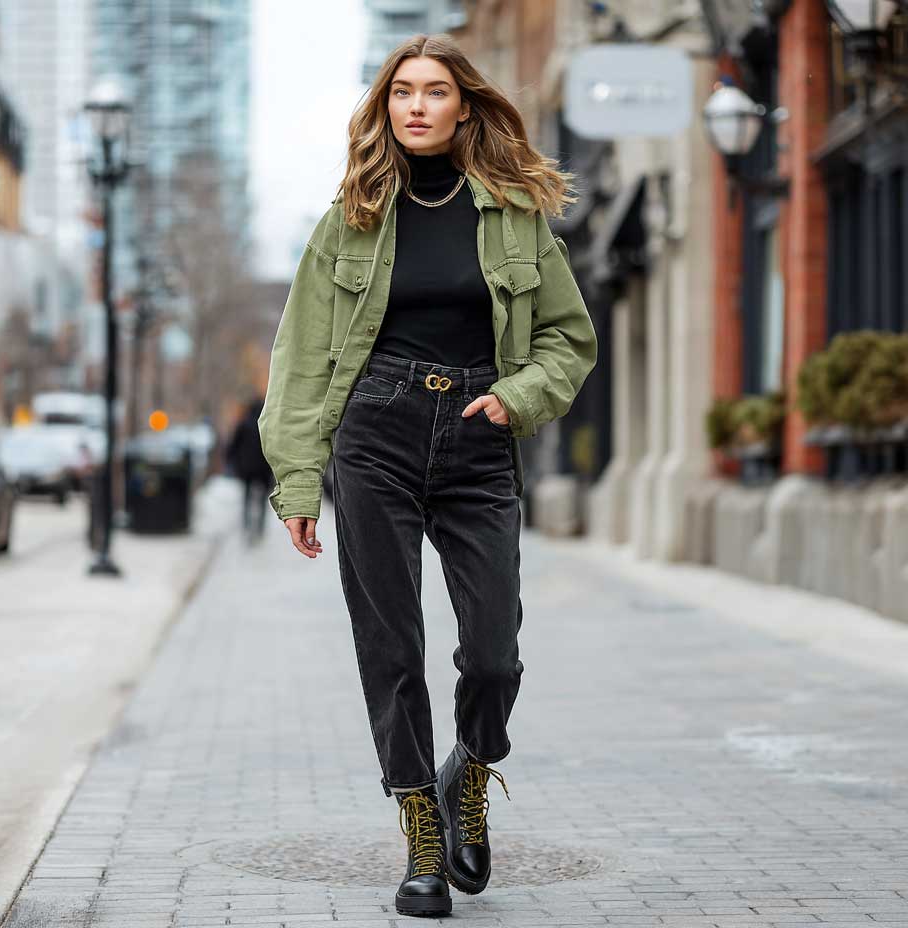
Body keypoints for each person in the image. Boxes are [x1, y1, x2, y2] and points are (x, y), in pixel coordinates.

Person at [257, 33, 597, 919]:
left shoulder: (515, 213)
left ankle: (469, 773)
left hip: (482, 432)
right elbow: (299, 358)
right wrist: (299, 483)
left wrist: (518, 397)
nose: (416, 105)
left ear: (463, 106)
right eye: (401, 91)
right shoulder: (350, 220)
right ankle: (420, 833)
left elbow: (571, 339)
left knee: (493, 653)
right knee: (391, 647)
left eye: (434, 91)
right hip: (376, 432)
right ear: (385, 107)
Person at [224, 397, 272, 543]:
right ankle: (260, 528)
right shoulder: (268, 425)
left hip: (247, 469)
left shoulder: (244, 425)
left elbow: (232, 446)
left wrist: (232, 461)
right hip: (264, 469)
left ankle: (246, 526)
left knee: (247, 498)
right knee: (263, 500)